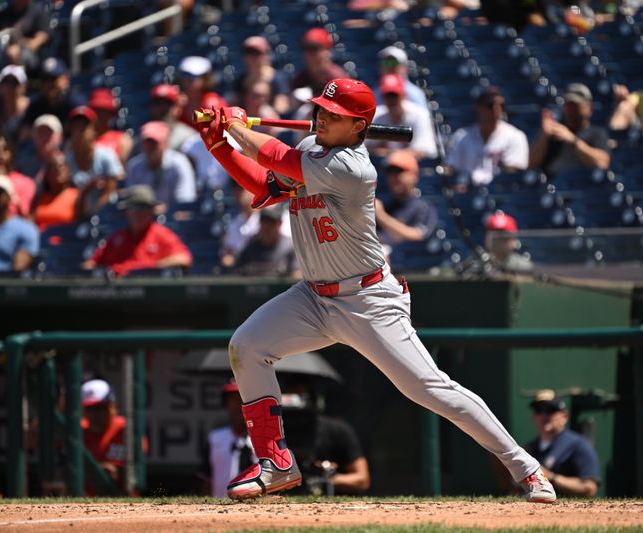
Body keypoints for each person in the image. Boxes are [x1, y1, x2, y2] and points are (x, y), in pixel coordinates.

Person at [194, 77, 556, 502]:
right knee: (247, 346)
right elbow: (263, 183)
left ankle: (526, 468)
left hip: (368, 299)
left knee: (429, 388)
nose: (323, 117)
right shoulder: (312, 149)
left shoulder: (353, 167)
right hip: (314, 296)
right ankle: (276, 462)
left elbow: (275, 155)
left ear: (359, 127)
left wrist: (236, 127)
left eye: (336, 116)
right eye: (322, 110)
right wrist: (220, 144)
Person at [281, 379, 370, 495]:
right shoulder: (272, 433)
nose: (296, 419)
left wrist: (325, 479)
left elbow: (362, 479)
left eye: (302, 399)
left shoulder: (336, 430)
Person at [82, 185, 193, 277]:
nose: (140, 213)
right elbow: (91, 264)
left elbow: (183, 258)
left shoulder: (161, 234)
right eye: (135, 208)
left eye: (144, 208)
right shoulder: (117, 238)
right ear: (126, 211)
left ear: (152, 211)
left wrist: (149, 269)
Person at [445, 87, 529, 187]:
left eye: (501, 105)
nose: (496, 109)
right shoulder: (461, 136)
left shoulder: (515, 136)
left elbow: (515, 174)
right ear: (478, 106)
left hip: (500, 192)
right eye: (490, 105)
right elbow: (451, 168)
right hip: (468, 193)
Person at [523, 389, 600, 497]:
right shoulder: (529, 448)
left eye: (550, 410)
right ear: (533, 417)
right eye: (539, 410)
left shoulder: (578, 444)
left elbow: (590, 488)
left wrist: (550, 477)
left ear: (564, 416)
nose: (544, 415)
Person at [529, 83, 610, 177]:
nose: (572, 110)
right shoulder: (554, 134)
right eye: (569, 105)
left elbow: (602, 163)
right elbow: (532, 166)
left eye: (577, 105)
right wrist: (544, 137)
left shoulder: (597, 133)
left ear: (589, 107)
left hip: (583, 186)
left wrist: (573, 140)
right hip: (553, 187)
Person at [199, 380, 256, 498]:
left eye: (241, 399)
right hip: (219, 507)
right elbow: (206, 477)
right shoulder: (215, 437)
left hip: (253, 508)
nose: (237, 405)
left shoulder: (263, 439)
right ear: (226, 403)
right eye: (233, 400)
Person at [65, 105, 124, 217]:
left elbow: (111, 193)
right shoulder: (66, 160)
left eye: (84, 127)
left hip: (106, 216)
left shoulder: (107, 156)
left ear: (94, 130)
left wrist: (95, 217)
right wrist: (87, 189)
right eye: (76, 127)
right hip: (75, 215)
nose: (80, 131)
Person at [220, 183, 292, 269]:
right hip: (250, 267)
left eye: (244, 188)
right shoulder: (235, 224)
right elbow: (228, 255)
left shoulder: (279, 217)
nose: (241, 193)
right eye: (238, 189)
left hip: (280, 267)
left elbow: (287, 246)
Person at [374, 150, 438, 247]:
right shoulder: (384, 206)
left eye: (399, 171)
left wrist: (382, 217)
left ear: (414, 176)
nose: (394, 177)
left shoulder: (424, 208)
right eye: (390, 172)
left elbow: (419, 236)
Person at [125, 121, 197, 207]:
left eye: (155, 143)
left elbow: (185, 200)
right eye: (147, 142)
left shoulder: (179, 164)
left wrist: (164, 210)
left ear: (166, 143)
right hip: (143, 215)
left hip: (172, 216)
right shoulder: (134, 167)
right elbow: (132, 200)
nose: (151, 147)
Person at [80, 379, 132, 495]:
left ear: (114, 407)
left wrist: (117, 470)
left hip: (125, 503)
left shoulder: (125, 430)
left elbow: (138, 468)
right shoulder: (78, 432)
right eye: (90, 409)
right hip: (85, 502)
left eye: (100, 409)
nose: (95, 415)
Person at [368, 74, 438, 159]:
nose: (391, 100)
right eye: (388, 96)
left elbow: (425, 150)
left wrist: (387, 152)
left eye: (394, 95)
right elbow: (365, 148)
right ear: (382, 97)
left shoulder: (419, 114)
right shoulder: (377, 115)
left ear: (404, 95)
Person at [21, 57, 84, 136]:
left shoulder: (76, 104)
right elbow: (24, 134)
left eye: (53, 79)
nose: (49, 84)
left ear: (65, 79)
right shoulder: (35, 105)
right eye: (45, 79)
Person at [235, 205, 299, 277]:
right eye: (264, 222)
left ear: (280, 223)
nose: (267, 227)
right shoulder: (250, 248)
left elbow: (297, 275)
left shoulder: (290, 247)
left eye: (271, 222)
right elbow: (237, 276)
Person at [232, 35, 290, 115]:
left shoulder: (277, 78)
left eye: (256, 53)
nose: (252, 57)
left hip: (270, 122)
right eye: (248, 52)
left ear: (267, 54)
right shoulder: (240, 79)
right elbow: (233, 105)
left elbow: (282, 107)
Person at [0, 0, 50, 69]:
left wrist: (19, 43)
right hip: (3, 50)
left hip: (29, 54)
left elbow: (36, 44)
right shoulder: (5, 13)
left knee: (13, 52)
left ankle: (12, 79)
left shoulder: (38, 12)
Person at [291, 28, 349, 97]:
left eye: (314, 48)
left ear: (326, 51)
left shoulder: (337, 79)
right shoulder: (301, 77)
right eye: (306, 48)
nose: (308, 53)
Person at [31, 151, 81, 230]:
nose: (58, 169)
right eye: (53, 167)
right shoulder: (38, 199)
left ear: (68, 171)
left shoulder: (77, 197)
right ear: (46, 174)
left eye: (61, 166)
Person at [177, 56, 227, 129]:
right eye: (184, 77)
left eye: (191, 78)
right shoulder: (178, 103)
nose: (186, 82)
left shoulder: (213, 104)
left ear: (205, 79)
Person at [88, 88, 133, 164]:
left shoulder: (123, 140)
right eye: (96, 110)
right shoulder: (82, 140)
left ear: (111, 114)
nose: (100, 115)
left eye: (104, 111)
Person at [149, 83, 198, 152]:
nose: (162, 108)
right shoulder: (145, 137)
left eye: (168, 103)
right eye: (158, 102)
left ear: (178, 107)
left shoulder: (190, 137)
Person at [16, 114, 64, 182]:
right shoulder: (23, 162)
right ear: (33, 136)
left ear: (60, 136)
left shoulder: (66, 164)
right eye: (41, 132)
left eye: (49, 132)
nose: (45, 137)